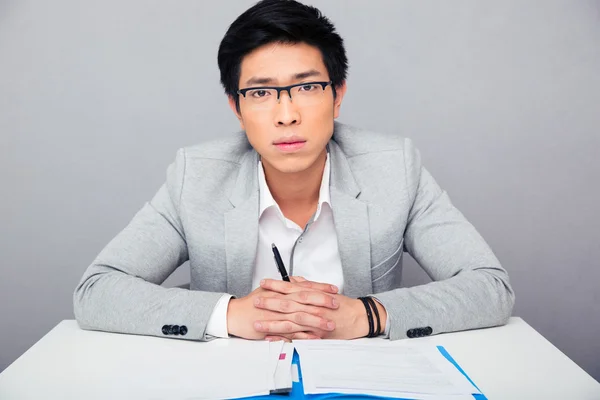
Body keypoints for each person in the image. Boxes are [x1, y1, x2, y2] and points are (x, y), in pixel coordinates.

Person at [73, 0, 514, 342]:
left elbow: (489, 287)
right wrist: (231, 314)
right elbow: (98, 290)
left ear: (338, 95)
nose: (287, 115)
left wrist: (366, 314)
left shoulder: (393, 168)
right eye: (261, 92)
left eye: (306, 87)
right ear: (237, 108)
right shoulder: (197, 176)